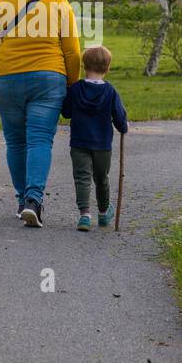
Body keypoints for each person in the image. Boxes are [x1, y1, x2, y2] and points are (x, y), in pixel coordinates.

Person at [0, 0, 80, 227]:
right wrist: (73, 86)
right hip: (48, 79)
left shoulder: (0, 0)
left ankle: (23, 200)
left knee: (15, 141)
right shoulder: (59, 1)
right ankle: (34, 200)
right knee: (39, 140)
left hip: (6, 79)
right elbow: (72, 52)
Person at [60, 45, 128, 232]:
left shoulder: (76, 89)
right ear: (107, 68)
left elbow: (66, 112)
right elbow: (119, 116)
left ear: (84, 66)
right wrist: (124, 127)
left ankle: (84, 215)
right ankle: (104, 212)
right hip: (102, 144)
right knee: (101, 178)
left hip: (79, 142)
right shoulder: (110, 92)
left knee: (82, 178)